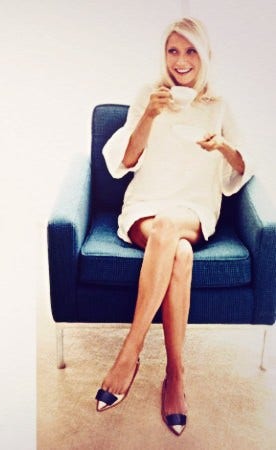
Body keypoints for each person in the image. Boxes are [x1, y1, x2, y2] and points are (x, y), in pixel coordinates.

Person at [96, 17, 253, 436]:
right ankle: (176, 376)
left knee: (173, 228)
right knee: (178, 251)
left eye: (190, 51)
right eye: (173, 51)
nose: (181, 60)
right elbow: (125, 161)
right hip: (145, 208)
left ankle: (128, 353)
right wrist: (149, 114)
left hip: (193, 209)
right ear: (163, 55)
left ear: (205, 56)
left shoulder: (219, 105)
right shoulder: (149, 96)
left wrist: (222, 145)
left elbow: (244, 166)